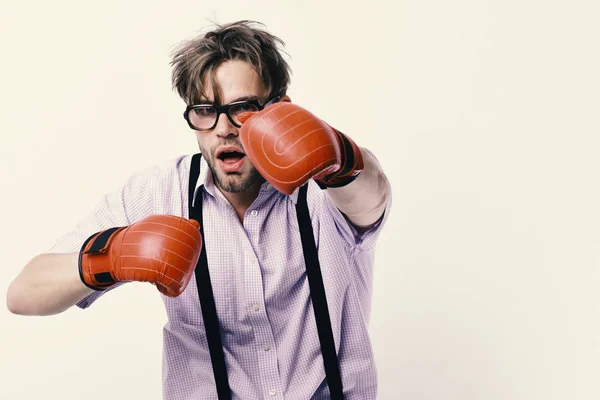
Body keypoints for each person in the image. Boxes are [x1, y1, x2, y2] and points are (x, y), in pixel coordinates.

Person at [6, 20, 392, 400]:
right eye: (206, 110)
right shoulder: (159, 192)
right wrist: (112, 255)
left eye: (242, 107)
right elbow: (23, 294)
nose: (223, 128)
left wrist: (338, 156)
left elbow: (371, 197)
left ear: (279, 110)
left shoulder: (324, 187)